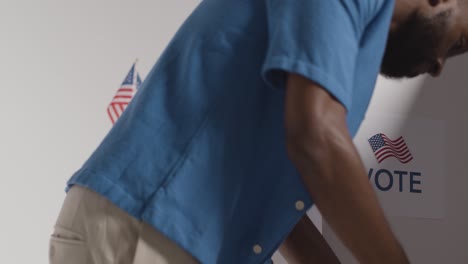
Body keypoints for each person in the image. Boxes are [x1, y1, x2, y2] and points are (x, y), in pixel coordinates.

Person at [49, 0, 468, 263]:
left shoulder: (353, 40)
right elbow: (316, 142)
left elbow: (277, 203)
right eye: (459, 42)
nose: (438, 67)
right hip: (149, 234)